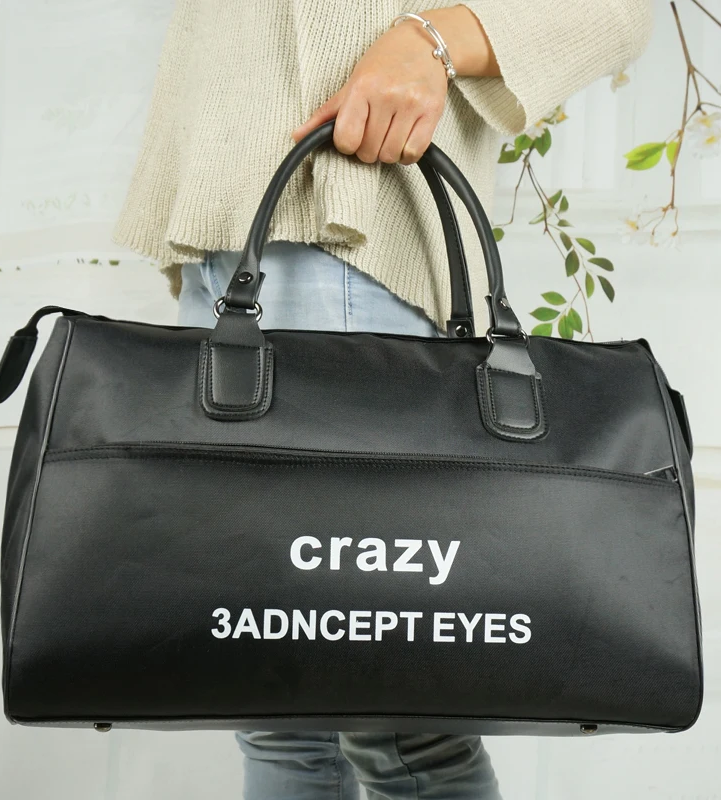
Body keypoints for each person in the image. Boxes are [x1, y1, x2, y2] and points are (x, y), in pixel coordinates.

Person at [114, 1, 654, 797]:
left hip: (345, 237)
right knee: (274, 707)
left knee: (395, 721)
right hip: (225, 249)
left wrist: (430, 42)